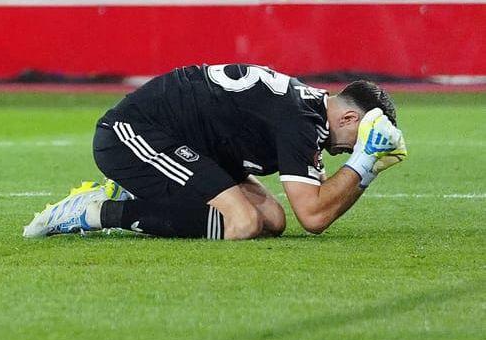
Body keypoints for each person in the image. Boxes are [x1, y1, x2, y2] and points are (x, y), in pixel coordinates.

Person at [25, 65, 407, 240]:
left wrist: (367, 167)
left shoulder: (309, 112)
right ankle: (95, 211)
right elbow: (314, 215)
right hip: (132, 134)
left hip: (186, 143)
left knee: (271, 219)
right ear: (351, 116)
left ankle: (136, 193)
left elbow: (319, 200)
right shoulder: (302, 120)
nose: (348, 152)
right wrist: (365, 162)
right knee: (242, 223)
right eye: (358, 140)